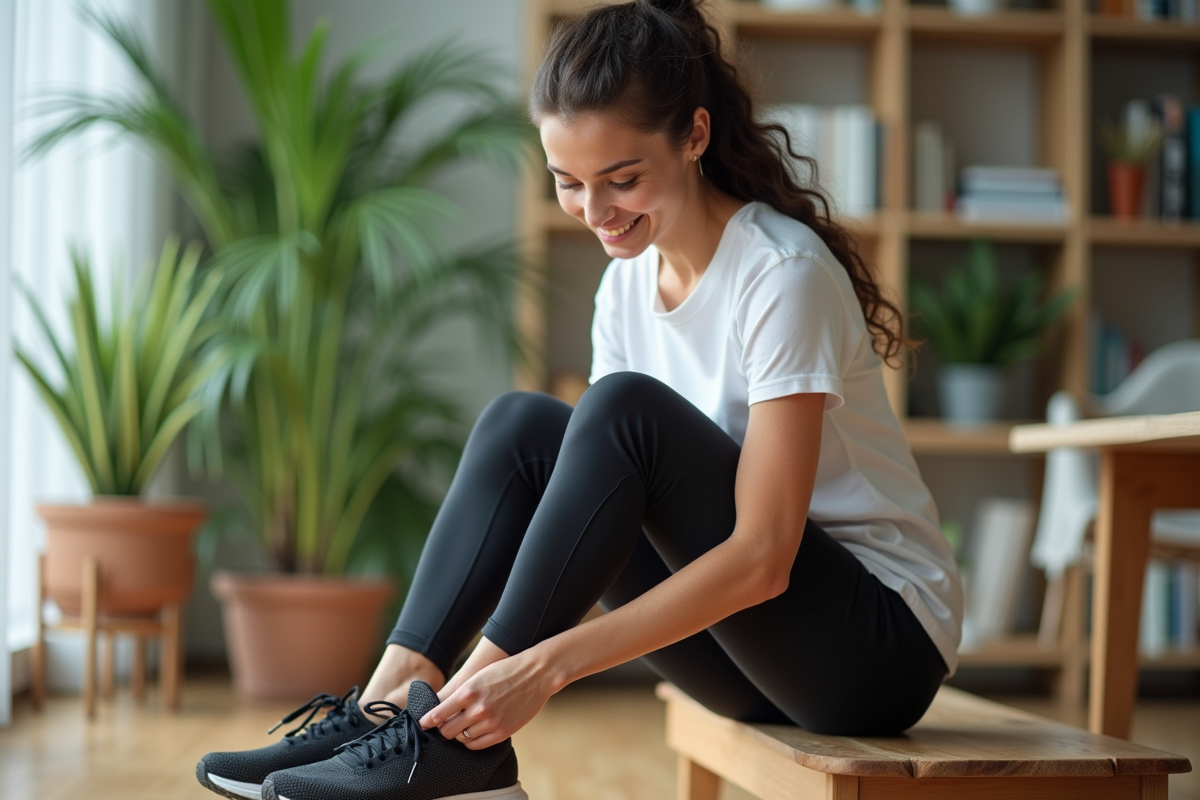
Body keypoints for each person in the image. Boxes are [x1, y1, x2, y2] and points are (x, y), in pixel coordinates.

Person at [196, 1, 963, 799]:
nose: (597, 214)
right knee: (524, 426)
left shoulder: (780, 275)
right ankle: (391, 704)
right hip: (746, 658)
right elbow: (596, 501)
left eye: (622, 179)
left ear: (695, 135)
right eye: (568, 183)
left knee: (622, 411)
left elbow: (763, 560)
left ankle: (455, 730)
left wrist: (541, 671)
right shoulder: (625, 286)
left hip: (874, 651)